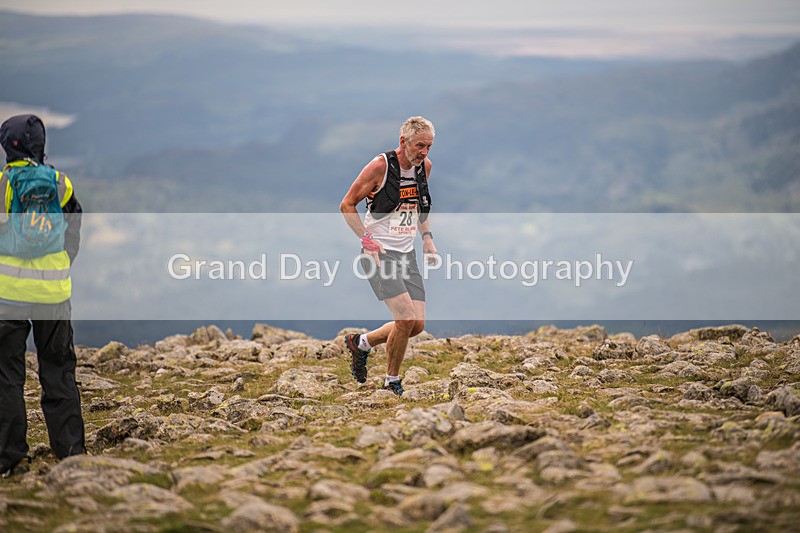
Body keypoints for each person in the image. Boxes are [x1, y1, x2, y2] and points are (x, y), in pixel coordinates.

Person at [0, 114, 85, 478]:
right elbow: (74, 223)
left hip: (8, 295)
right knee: (59, 371)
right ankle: (71, 453)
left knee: (7, 376)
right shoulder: (60, 182)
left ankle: (12, 459)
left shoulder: (3, 183)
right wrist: (63, 261)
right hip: (54, 292)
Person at [340, 116, 438, 396]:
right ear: (403, 141)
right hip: (379, 254)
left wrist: (427, 238)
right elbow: (346, 204)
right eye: (420, 145)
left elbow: (419, 206)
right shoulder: (380, 167)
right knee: (405, 320)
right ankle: (391, 381)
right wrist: (366, 240)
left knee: (416, 326)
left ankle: (361, 343)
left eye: (429, 146)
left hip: (407, 254)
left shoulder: (424, 168)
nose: (424, 152)